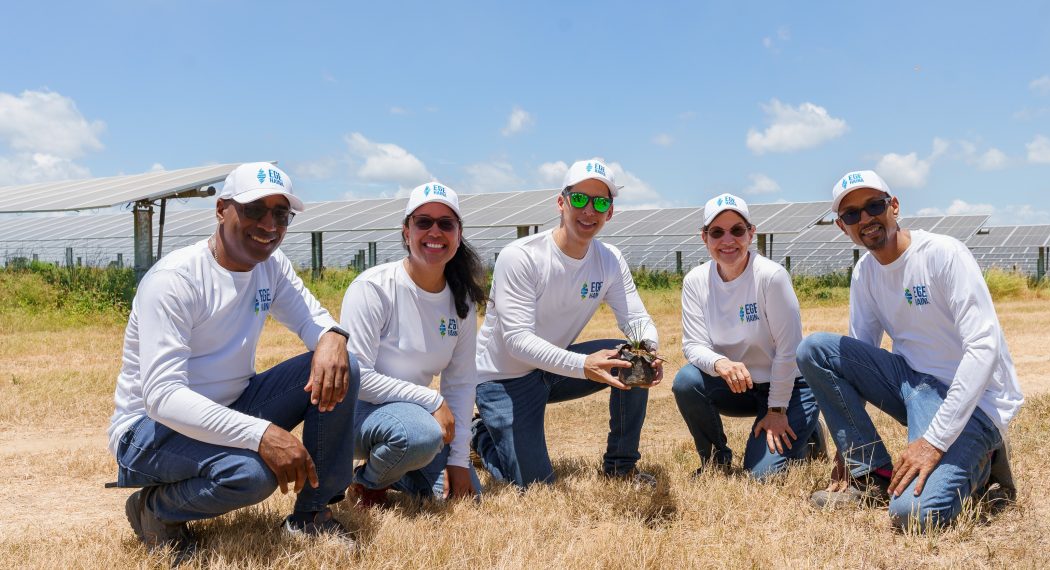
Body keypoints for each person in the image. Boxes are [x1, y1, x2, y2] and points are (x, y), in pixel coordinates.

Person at [107, 162, 360, 558]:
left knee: (342, 365)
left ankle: (313, 514)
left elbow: (315, 321)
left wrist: (331, 336)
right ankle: (154, 509)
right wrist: (260, 435)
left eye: (281, 214)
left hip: (231, 405)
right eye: (255, 209)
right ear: (222, 209)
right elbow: (162, 397)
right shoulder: (175, 280)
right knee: (252, 475)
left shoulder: (271, 268)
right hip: (150, 431)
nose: (269, 224)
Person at [796, 169, 1024, 531]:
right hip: (912, 385)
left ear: (895, 206)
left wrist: (934, 442)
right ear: (843, 227)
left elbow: (983, 347)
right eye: (852, 214)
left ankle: (987, 458)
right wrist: (848, 447)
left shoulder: (943, 254)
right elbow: (858, 355)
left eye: (874, 206)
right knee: (815, 350)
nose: (866, 219)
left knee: (914, 515)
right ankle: (872, 475)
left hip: (975, 402)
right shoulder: (865, 273)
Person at [471, 158, 663, 488]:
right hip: (503, 378)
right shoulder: (522, 257)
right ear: (561, 202)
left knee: (631, 361)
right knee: (533, 486)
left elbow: (636, 319)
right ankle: (480, 435)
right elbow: (517, 339)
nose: (589, 210)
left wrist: (648, 350)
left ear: (610, 212)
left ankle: (620, 466)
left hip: (554, 367)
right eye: (579, 199)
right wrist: (583, 364)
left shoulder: (609, 260)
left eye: (601, 202)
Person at [339, 182, 484, 506]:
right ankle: (368, 484)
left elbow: (460, 383)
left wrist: (459, 461)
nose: (435, 231)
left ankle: (398, 469)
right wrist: (431, 400)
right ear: (407, 231)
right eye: (423, 222)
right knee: (421, 435)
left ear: (458, 234)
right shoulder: (374, 288)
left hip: (415, 418)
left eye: (446, 224)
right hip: (356, 417)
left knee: (458, 499)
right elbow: (357, 379)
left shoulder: (460, 302)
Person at [672, 193, 821, 480]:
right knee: (687, 382)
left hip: (788, 388)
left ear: (751, 233)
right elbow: (693, 345)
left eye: (737, 230)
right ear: (704, 238)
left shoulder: (771, 276)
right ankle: (716, 460)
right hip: (738, 384)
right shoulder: (695, 281)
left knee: (760, 476)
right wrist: (719, 364)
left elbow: (789, 351)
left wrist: (777, 410)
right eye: (717, 232)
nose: (728, 240)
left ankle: (809, 430)